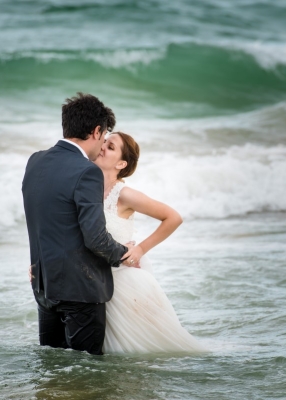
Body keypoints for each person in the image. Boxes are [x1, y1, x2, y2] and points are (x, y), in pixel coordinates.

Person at [22, 93, 136, 355]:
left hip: (44, 286)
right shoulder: (87, 171)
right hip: (81, 291)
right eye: (104, 135)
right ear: (96, 131)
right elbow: (95, 238)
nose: (103, 143)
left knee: (53, 366)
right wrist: (124, 253)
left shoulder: (35, 161)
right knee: (88, 370)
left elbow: (42, 221)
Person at [94, 132, 206, 353]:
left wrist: (140, 249)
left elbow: (173, 217)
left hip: (123, 282)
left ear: (121, 164)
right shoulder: (88, 189)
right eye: (104, 141)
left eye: (111, 146)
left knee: (137, 352)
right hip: (95, 280)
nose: (103, 146)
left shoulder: (124, 194)